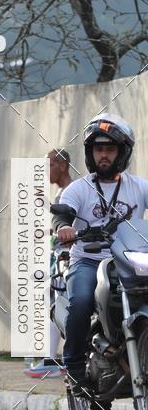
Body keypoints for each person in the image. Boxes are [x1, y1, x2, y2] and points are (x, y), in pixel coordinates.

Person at [52, 113, 148, 394]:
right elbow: (62, 215)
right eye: (98, 149)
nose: (103, 155)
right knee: (81, 301)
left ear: (122, 152)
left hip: (129, 260)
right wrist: (64, 228)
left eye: (109, 149)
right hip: (89, 261)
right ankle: (74, 368)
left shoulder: (139, 186)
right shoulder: (78, 189)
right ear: (90, 153)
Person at [25, 148, 73, 378]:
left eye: (49, 165)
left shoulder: (71, 191)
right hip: (60, 257)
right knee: (53, 303)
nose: (46, 171)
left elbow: (71, 223)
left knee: (55, 305)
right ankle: (51, 357)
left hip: (68, 260)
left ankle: (52, 359)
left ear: (62, 165)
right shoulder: (64, 191)